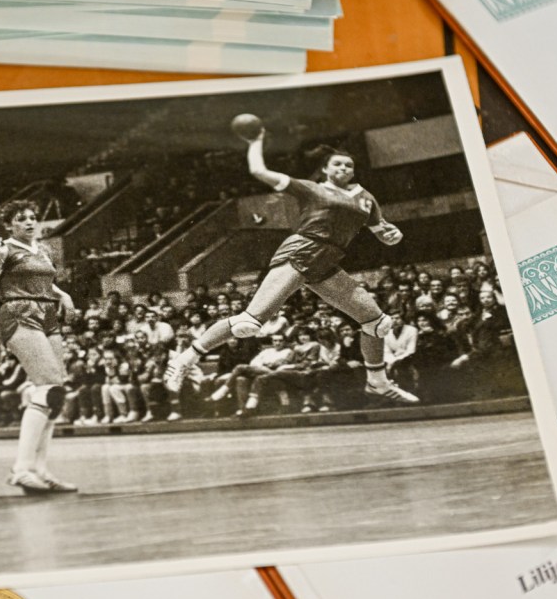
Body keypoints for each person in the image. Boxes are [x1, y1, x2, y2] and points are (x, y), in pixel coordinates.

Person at [166, 126, 418, 403]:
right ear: (325, 169)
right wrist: (256, 141)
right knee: (249, 323)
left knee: (377, 323)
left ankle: (378, 383)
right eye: (337, 164)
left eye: (349, 165)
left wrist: (393, 235)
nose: (344, 168)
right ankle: (184, 359)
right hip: (301, 250)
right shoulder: (312, 189)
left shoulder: (365, 198)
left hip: (328, 260)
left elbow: (383, 231)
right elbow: (259, 171)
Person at [0, 199, 78, 494]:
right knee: (48, 387)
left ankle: (41, 470)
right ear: (9, 225)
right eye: (22, 218)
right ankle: (21, 469)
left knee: (55, 392)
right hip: (18, 311)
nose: (30, 222)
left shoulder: (42, 249)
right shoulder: (2, 248)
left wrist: (63, 295)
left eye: (33, 217)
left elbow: (42, 282)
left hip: (48, 313)